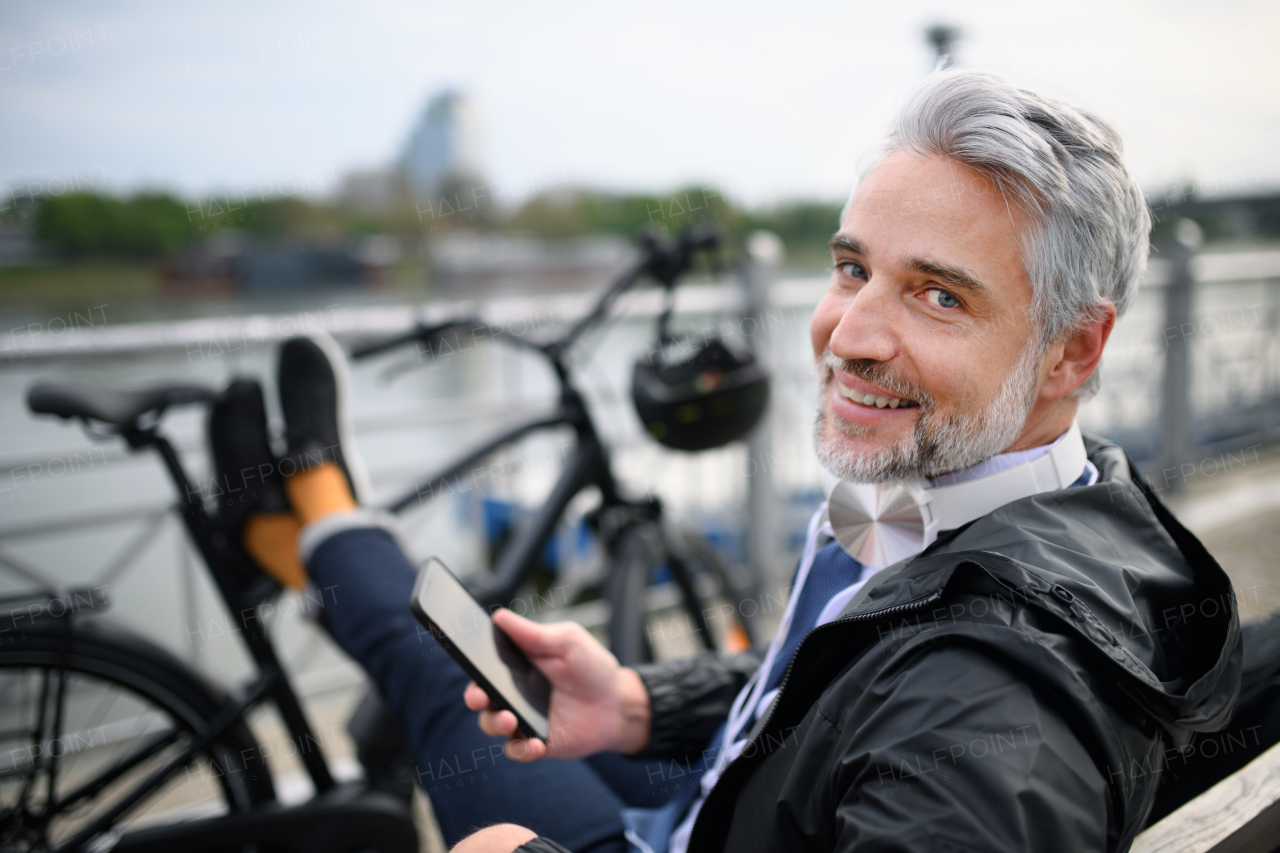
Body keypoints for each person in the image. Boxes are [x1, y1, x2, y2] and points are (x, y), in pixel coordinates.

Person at [208, 69, 1240, 853]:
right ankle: (315, 529)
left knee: (435, 667)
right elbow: (846, 666)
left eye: (937, 295)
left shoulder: (987, 709)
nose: (849, 334)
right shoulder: (1059, 485)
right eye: (850, 269)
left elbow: (925, 705)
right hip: (714, 801)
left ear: (1073, 349)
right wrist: (640, 706)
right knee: (462, 647)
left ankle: (313, 516)